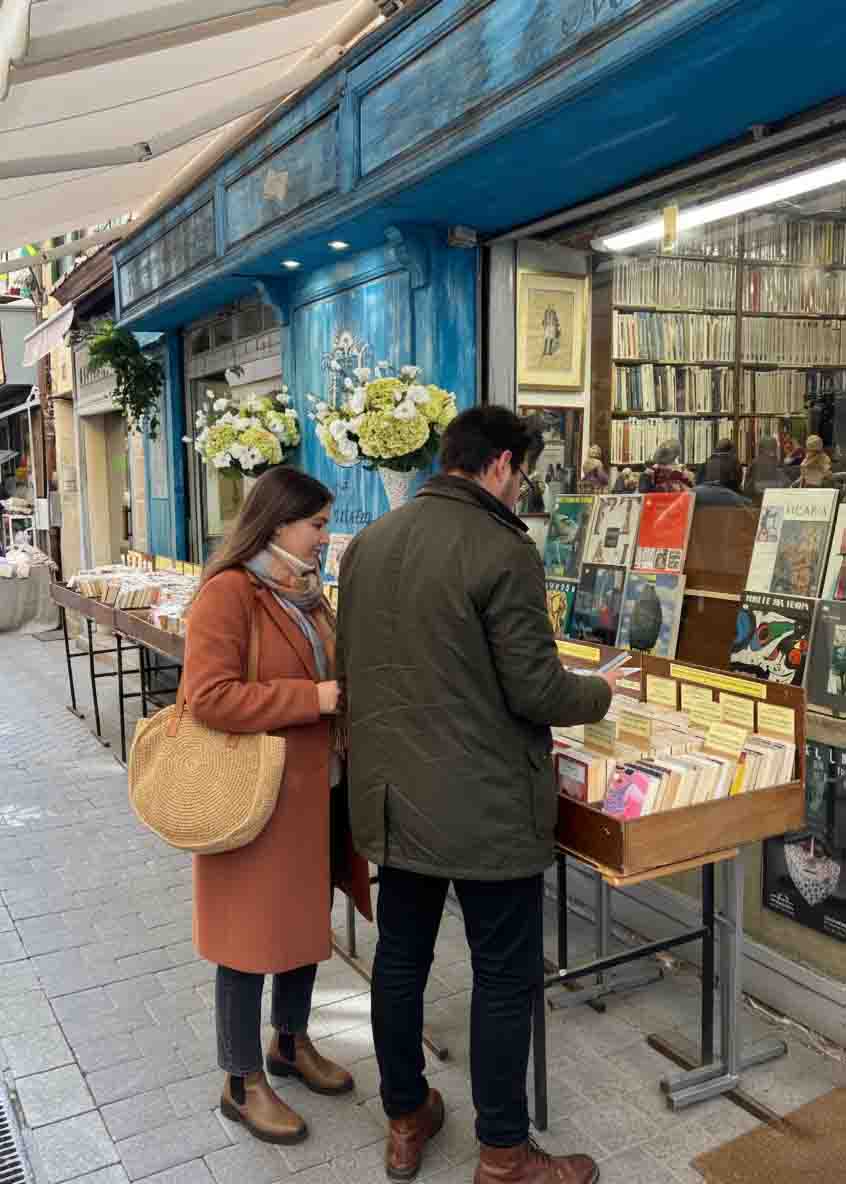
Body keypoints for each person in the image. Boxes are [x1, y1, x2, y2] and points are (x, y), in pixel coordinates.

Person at [337, 407, 622, 1184]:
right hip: (484, 804)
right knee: (503, 972)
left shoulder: (368, 543)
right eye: (524, 473)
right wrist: (600, 693)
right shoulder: (501, 548)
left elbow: (356, 668)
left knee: (400, 961)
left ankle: (406, 1116)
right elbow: (533, 688)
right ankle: (503, 1154)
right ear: (500, 464)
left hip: (394, 799)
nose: (522, 488)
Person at [183, 466, 371, 1146]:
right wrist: (311, 700)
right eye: (317, 524)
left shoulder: (306, 594)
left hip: (315, 796)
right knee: (245, 938)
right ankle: (239, 1081)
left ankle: (289, 1042)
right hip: (254, 801)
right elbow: (207, 697)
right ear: (278, 523)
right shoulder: (229, 593)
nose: (326, 537)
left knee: (301, 923)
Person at [742, 436, 787, 501]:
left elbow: (747, 489)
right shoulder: (777, 464)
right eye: (774, 447)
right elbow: (786, 485)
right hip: (776, 501)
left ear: (760, 449)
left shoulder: (754, 463)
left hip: (757, 503)